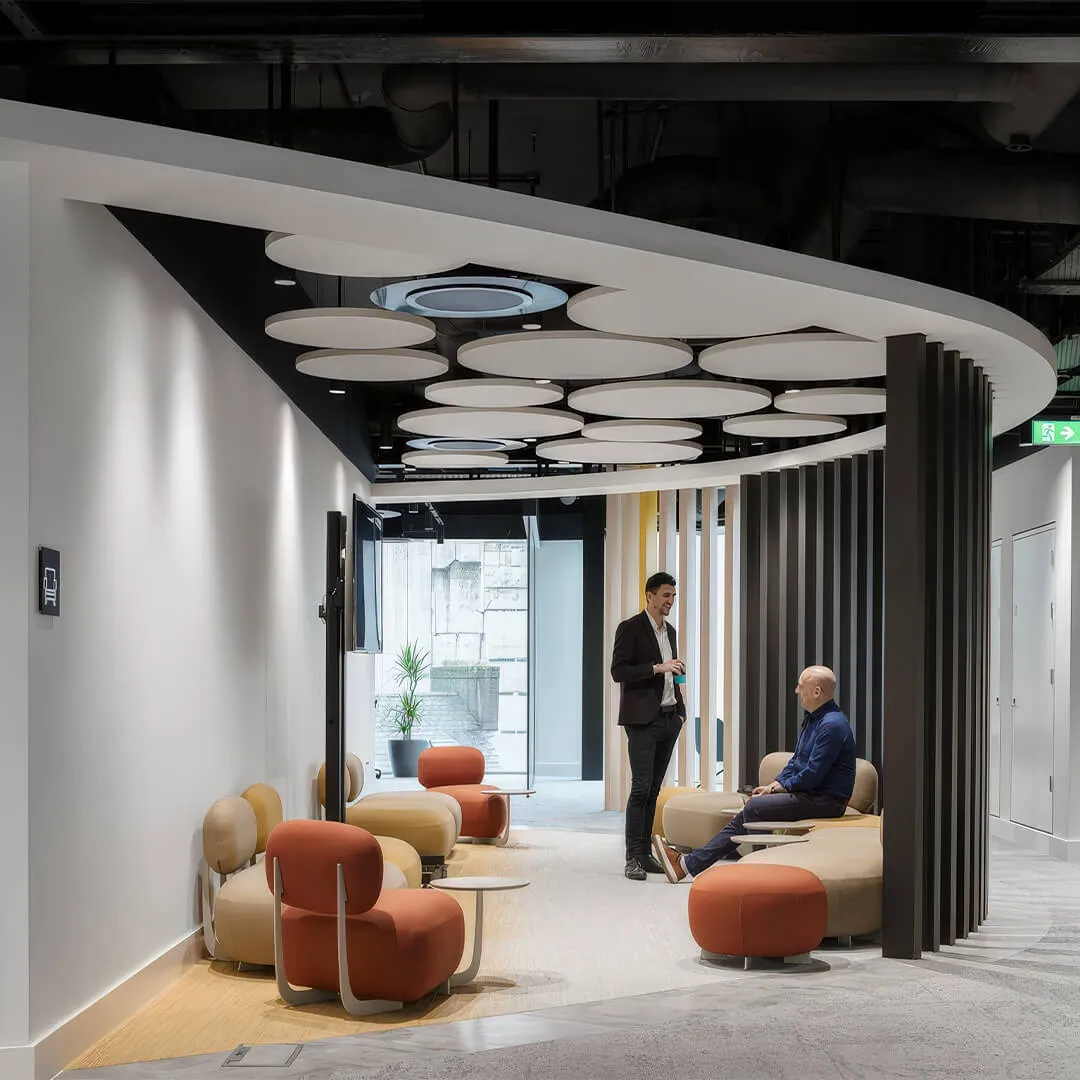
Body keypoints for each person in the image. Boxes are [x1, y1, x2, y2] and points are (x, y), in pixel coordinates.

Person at [652, 665, 854, 884]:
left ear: (816, 691)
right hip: (811, 793)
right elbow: (796, 762)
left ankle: (754, 872)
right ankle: (688, 865)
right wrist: (774, 785)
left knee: (754, 808)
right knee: (752, 806)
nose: (797, 691)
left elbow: (813, 774)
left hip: (827, 801)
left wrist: (780, 788)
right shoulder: (813, 720)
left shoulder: (832, 725)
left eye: (800, 686)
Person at [611, 571, 686, 880]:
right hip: (643, 720)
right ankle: (632, 857)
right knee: (641, 787)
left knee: (654, 789)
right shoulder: (630, 628)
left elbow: (674, 673)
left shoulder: (671, 632)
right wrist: (657, 668)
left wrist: (681, 711)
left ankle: (644, 853)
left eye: (673, 596)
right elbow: (618, 672)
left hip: (669, 718)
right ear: (650, 596)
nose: (671, 601)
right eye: (666, 595)